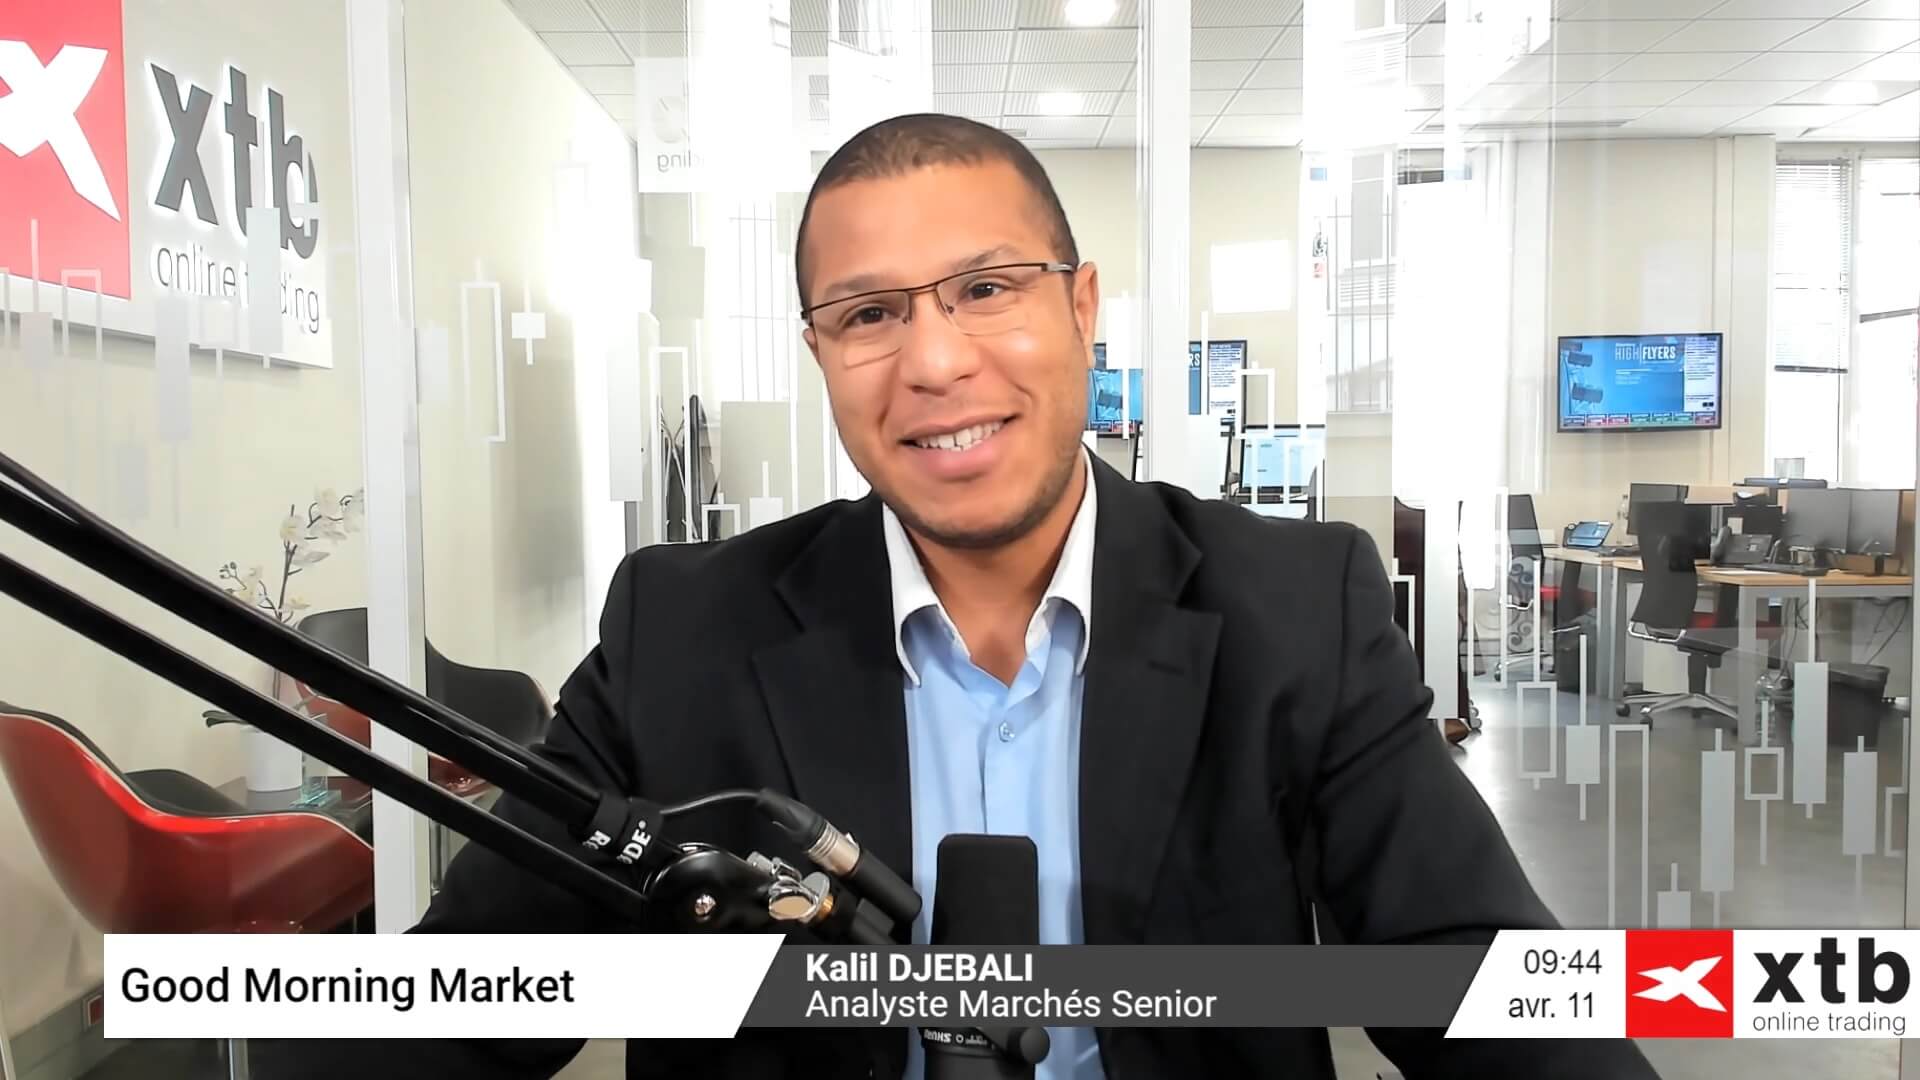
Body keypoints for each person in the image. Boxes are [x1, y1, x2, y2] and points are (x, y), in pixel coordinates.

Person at [287, 114, 1657, 1079]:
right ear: (821, 352)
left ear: (1082, 310)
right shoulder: (681, 631)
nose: (935, 362)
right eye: (869, 313)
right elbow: (459, 1008)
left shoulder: (1297, 606)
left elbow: (1486, 988)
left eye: (987, 289)